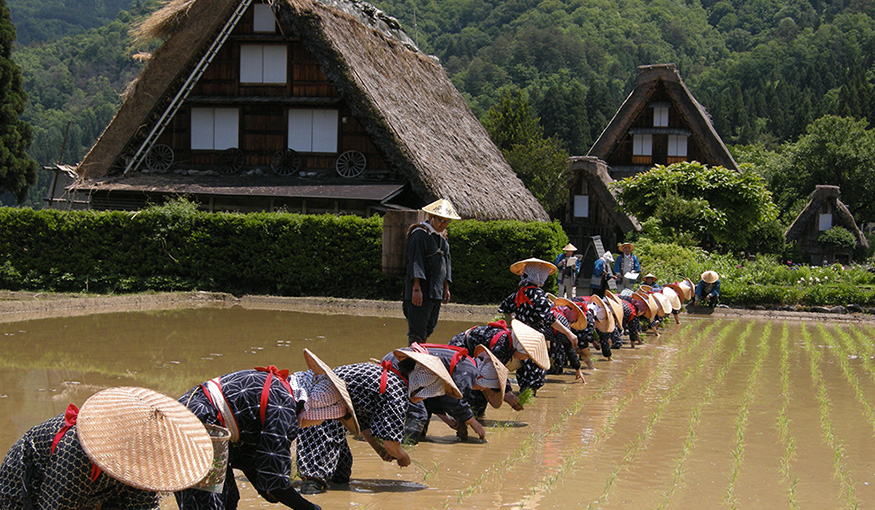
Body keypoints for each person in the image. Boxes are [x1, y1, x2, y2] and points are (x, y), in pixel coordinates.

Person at [176, 350, 358, 510]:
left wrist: (269, 491)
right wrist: (309, 507)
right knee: (208, 504)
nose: (319, 424)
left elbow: (252, 459)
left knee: (229, 498)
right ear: (318, 407)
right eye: (324, 418)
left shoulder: (280, 390)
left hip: (195, 416)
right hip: (198, 425)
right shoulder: (283, 408)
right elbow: (275, 481)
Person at [1, 386, 214, 510]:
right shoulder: (73, 456)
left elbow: (144, 505)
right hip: (29, 482)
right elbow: (55, 505)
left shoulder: (139, 465)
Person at [296, 351, 459, 495]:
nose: (423, 399)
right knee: (317, 472)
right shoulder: (395, 391)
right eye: (426, 394)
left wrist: (379, 450)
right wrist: (403, 456)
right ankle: (310, 494)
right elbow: (390, 441)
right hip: (320, 409)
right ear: (421, 386)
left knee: (341, 471)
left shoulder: (387, 378)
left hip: (332, 413)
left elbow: (364, 423)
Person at [390, 343, 507, 443]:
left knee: (422, 413)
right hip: (401, 366)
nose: (481, 390)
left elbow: (431, 398)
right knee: (418, 415)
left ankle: (413, 442)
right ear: (483, 378)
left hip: (403, 365)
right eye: (484, 388)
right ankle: (404, 448)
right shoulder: (469, 371)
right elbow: (454, 401)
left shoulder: (466, 365)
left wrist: (447, 419)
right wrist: (474, 423)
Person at [499, 258, 575, 394]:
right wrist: (568, 333)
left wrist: (512, 325)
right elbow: (550, 319)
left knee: (523, 369)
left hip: (519, 336)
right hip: (533, 337)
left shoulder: (519, 292)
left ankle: (523, 396)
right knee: (536, 372)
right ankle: (527, 398)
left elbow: (505, 308)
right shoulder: (538, 295)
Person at [448, 319, 545, 418]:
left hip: (480, 358)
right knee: (476, 387)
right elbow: (496, 372)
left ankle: (475, 417)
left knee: (483, 389)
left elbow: (499, 370)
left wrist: (508, 392)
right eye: (526, 355)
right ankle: (465, 418)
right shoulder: (502, 345)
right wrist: (507, 394)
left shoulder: (510, 343)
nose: (525, 359)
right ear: (519, 347)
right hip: (462, 349)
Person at [403, 198, 460, 345]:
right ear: (431, 217)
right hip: (421, 291)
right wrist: (416, 288)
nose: (443, 224)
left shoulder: (442, 239)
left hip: (435, 291)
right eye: (440, 220)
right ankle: (413, 362)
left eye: (447, 221)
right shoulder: (419, 235)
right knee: (417, 331)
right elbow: (415, 261)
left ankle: (418, 358)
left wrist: (446, 288)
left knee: (429, 328)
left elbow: (446, 263)